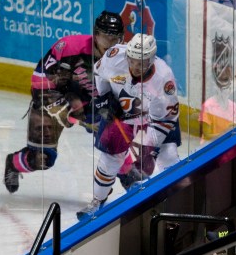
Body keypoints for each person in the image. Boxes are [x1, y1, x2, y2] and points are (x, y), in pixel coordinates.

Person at [4, 10, 125, 194]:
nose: (110, 44)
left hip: (91, 105)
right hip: (53, 98)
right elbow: (39, 79)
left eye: (115, 38)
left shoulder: (123, 59)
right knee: (42, 159)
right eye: (106, 37)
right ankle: (13, 163)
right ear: (96, 34)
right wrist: (57, 106)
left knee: (117, 147)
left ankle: (131, 185)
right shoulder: (70, 47)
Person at [77, 33, 181, 218]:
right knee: (109, 159)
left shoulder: (164, 78)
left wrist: (149, 148)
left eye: (141, 63)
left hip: (157, 118)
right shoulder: (114, 56)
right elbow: (99, 73)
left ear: (152, 59)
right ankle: (97, 201)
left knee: (169, 158)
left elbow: (164, 118)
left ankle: (176, 202)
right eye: (132, 60)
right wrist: (104, 97)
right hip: (123, 113)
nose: (135, 66)